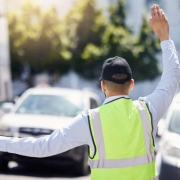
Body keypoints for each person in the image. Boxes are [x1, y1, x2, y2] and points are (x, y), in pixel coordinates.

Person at [0, 4, 180, 180]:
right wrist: (164, 36)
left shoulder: (90, 121)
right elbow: (172, 76)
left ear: (103, 85)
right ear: (131, 84)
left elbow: (42, 147)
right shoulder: (148, 111)